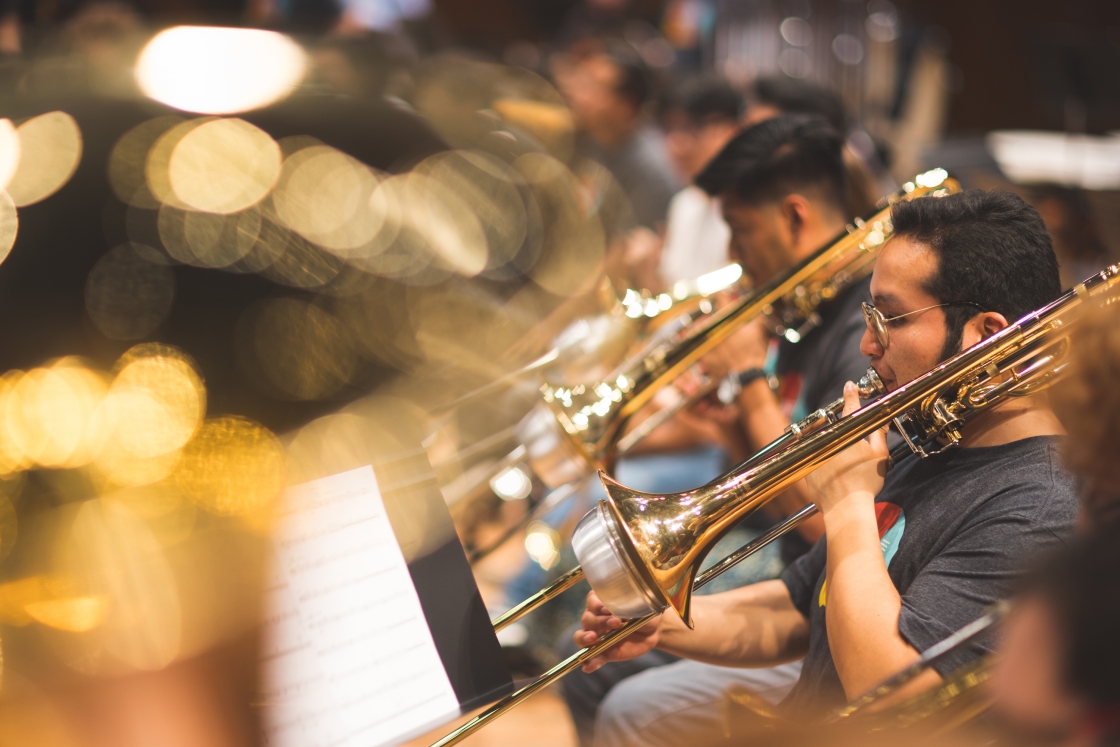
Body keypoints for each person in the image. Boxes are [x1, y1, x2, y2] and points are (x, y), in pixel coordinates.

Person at [575, 189, 1079, 745]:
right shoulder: (928, 441)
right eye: (868, 318)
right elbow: (797, 608)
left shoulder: (1039, 511)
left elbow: (894, 694)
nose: (866, 344)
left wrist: (846, 504)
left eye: (890, 320)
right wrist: (662, 624)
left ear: (989, 334)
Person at [560, 114, 875, 745]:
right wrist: (729, 427)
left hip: (811, 584)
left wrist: (748, 381)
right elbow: (776, 476)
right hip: (793, 574)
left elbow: (826, 520)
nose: (733, 254)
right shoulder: (797, 311)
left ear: (794, 216)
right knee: (592, 655)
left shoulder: (859, 335)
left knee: (607, 686)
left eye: (740, 230)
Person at [556, 40, 681, 231]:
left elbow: (637, 250)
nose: (577, 95)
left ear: (626, 107)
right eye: (581, 82)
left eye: (593, 87)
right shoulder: (593, 143)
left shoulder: (651, 170)